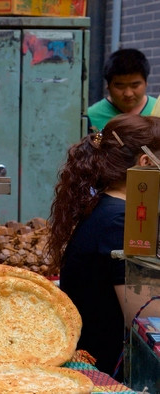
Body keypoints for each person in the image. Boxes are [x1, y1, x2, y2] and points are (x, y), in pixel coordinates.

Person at [48, 113, 160, 378]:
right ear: (146, 163)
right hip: (107, 374)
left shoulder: (106, 208)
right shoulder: (120, 221)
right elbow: (147, 317)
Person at [87, 48, 157, 133]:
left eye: (135, 85)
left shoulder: (158, 110)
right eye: (120, 86)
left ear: (146, 83)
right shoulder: (91, 116)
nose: (128, 93)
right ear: (108, 86)